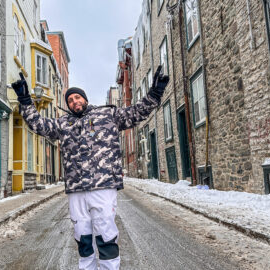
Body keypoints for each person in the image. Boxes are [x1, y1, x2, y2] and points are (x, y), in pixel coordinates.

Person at [11, 66, 169, 270]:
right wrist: (25, 101)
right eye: (70, 100)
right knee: (82, 234)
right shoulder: (63, 124)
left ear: (84, 99)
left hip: (103, 185)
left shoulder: (107, 115)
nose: (74, 101)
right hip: (76, 188)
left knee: (105, 232)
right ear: (68, 105)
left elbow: (137, 113)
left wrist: (155, 93)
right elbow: (39, 125)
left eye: (77, 97)